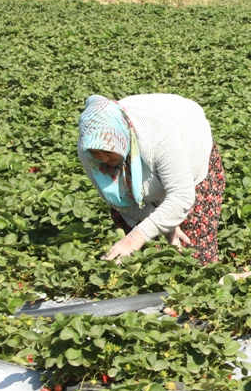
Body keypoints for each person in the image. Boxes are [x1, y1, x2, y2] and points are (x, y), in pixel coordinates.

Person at [77, 94, 225, 265]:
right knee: (137, 254)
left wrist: (137, 236)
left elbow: (181, 196)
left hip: (188, 144)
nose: (103, 159)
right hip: (149, 162)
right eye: (96, 153)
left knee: (192, 244)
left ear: (122, 138)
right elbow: (115, 198)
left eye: (108, 151)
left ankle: (201, 284)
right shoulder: (88, 148)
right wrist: (161, 224)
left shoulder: (158, 135)